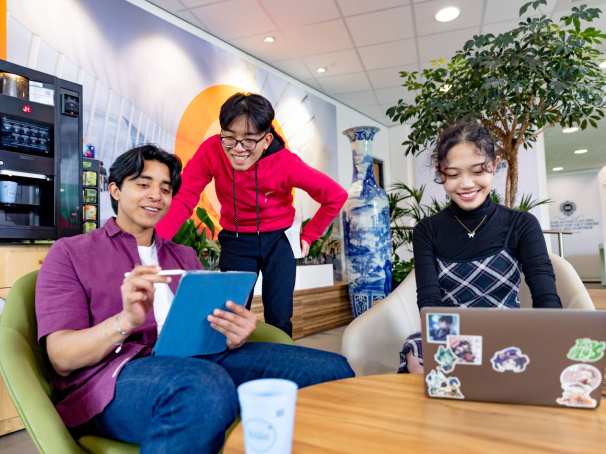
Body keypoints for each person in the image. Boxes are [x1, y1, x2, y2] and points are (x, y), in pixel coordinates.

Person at [35, 145, 354, 453]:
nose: (155, 196)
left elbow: (206, 330)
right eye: (143, 184)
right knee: (201, 389)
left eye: (165, 188)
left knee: (330, 370)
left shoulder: (183, 255)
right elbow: (62, 358)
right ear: (115, 190)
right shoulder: (71, 253)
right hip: (116, 377)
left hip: (199, 363)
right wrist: (126, 321)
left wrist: (234, 332)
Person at [156, 93, 348, 336]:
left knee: (279, 315)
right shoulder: (212, 151)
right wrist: (153, 244)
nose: (237, 149)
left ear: (266, 140)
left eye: (248, 141)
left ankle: (280, 367)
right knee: (231, 315)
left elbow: (335, 196)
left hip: (278, 240)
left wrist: (309, 235)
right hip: (236, 240)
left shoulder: (286, 163)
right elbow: (184, 197)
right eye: (230, 138)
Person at [398, 120, 562, 374]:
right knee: (416, 356)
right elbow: (429, 301)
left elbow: (545, 294)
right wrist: (453, 351)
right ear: (441, 173)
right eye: (453, 174)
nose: (465, 184)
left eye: (477, 171)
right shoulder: (427, 231)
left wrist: (552, 340)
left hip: (509, 334)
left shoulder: (521, 224)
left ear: (494, 166)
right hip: (451, 338)